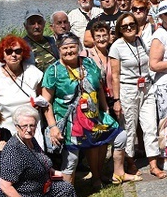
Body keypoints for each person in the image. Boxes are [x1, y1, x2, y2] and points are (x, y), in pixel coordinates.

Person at [43, 33, 133, 187]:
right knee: (71, 159)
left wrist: (105, 109)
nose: (69, 51)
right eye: (65, 48)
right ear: (59, 49)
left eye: (72, 46)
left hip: (94, 116)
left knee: (120, 136)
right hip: (71, 122)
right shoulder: (54, 71)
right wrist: (52, 127)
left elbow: (99, 89)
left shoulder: (89, 63)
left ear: (79, 47)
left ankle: (115, 173)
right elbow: (45, 102)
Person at [0, 106, 85, 197]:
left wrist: (63, 174)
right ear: (17, 127)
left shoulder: (31, 140)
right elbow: (5, 186)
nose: (29, 129)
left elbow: (43, 165)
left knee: (66, 189)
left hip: (39, 192)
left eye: (32, 125)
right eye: (24, 126)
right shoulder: (13, 150)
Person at [110, 13, 165, 179]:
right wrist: (117, 100)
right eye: (125, 26)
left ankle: (153, 164)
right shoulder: (117, 46)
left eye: (132, 24)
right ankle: (130, 162)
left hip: (146, 88)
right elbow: (114, 75)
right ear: (120, 29)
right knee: (129, 128)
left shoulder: (140, 41)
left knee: (150, 126)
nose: (129, 28)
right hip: (128, 89)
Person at [0, 35, 45, 147]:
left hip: (32, 130)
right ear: (3, 54)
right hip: (7, 131)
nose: (13, 55)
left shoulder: (33, 72)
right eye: (9, 51)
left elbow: (43, 99)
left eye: (18, 51)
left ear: (23, 53)